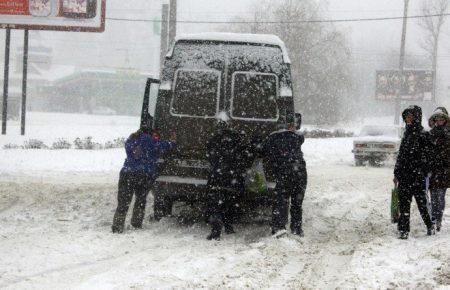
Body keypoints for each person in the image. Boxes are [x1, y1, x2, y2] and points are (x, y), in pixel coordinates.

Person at [112, 127, 176, 233]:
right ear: (149, 133)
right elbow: (162, 146)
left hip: (127, 173)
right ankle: (136, 223)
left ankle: (117, 226)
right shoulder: (149, 140)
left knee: (123, 201)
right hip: (144, 175)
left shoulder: (130, 140)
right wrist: (172, 142)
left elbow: (135, 152)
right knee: (140, 200)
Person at [205, 119, 253, 240]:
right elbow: (247, 156)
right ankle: (229, 226)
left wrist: (217, 165)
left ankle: (216, 232)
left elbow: (209, 155)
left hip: (217, 176)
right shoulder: (239, 139)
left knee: (216, 204)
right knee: (230, 202)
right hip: (234, 178)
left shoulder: (214, 139)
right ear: (230, 126)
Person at [393, 105, 434, 239]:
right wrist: (396, 173)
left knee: (422, 204)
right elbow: (401, 156)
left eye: (410, 117)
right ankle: (404, 230)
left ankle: (430, 225)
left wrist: (423, 170)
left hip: (417, 177)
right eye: (406, 117)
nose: (407, 119)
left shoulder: (424, 135)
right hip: (404, 176)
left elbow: (429, 157)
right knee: (404, 204)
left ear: (416, 118)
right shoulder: (407, 134)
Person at [262, 119, 307, 237]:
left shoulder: (271, 139)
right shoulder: (295, 137)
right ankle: (297, 229)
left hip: (284, 173)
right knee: (297, 203)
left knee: (281, 200)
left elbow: (262, 151)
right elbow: (301, 138)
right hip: (300, 172)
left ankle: (278, 228)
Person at [428, 107, 450, 232]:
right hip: (432, 171)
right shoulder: (430, 134)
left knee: (440, 196)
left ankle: (438, 219)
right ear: (434, 120)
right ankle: (433, 218)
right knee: (433, 197)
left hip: (445, 171)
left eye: (442, 118)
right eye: (438, 118)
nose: (440, 120)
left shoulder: (448, 134)